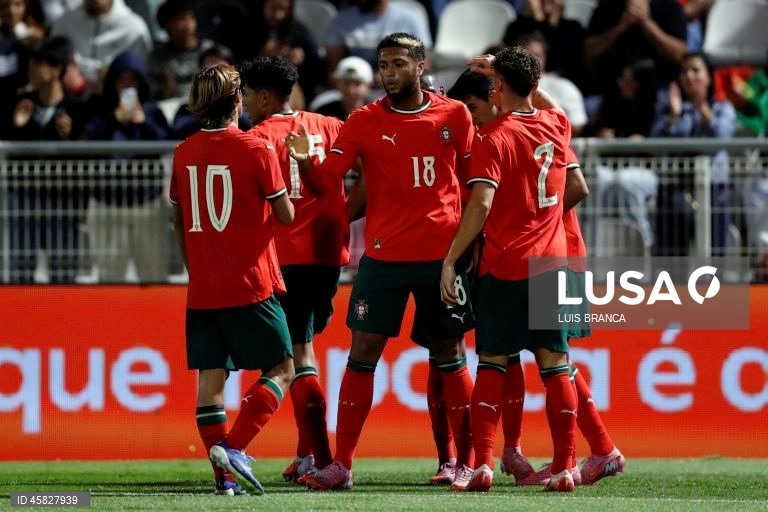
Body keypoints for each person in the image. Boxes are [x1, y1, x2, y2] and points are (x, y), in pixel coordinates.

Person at [285, 32, 476, 491]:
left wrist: (468, 247)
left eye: (398, 64)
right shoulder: (363, 120)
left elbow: (474, 184)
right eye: (383, 65)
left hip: (440, 259)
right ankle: (342, 466)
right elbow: (327, 182)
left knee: (449, 354)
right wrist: (306, 163)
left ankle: (467, 464)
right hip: (383, 258)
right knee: (362, 353)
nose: (389, 73)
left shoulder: (455, 114)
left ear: (420, 65)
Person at [439, 46, 577, 492]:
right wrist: (510, 72)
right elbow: (549, 104)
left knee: (492, 364)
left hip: (506, 265)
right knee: (556, 366)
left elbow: (480, 204)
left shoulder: (492, 137)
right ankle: (565, 468)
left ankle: (481, 464)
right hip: (553, 264)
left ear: (496, 87)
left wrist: (451, 258)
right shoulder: (557, 125)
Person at [169, 63, 295, 495]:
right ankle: (235, 448)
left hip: (203, 286)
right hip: (250, 282)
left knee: (210, 380)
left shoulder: (183, 152)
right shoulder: (256, 149)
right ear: (238, 99)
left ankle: (223, 481)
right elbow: (285, 214)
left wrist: (196, 268)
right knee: (283, 368)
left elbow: (178, 220)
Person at [239, 56, 349, 484]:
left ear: (266, 97)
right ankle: (306, 454)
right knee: (306, 346)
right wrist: (346, 217)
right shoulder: (330, 126)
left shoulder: (256, 139)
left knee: (297, 357)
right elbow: (364, 173)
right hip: (328, 256)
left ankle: (322, 459)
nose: (245, 103)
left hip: (285, 258)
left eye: (248, 95)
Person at [51, 0, 152, 83]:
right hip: (70, 96)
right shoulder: (64, 23)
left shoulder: (135, 29)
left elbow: (140, 77)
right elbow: (52, 64)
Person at [315, 56, 374, 121]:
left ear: (369, 86)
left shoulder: (376, 115)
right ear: (337, 84)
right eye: (346, 83)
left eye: (357, 84)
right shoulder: (323, 113)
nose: (350, 90)